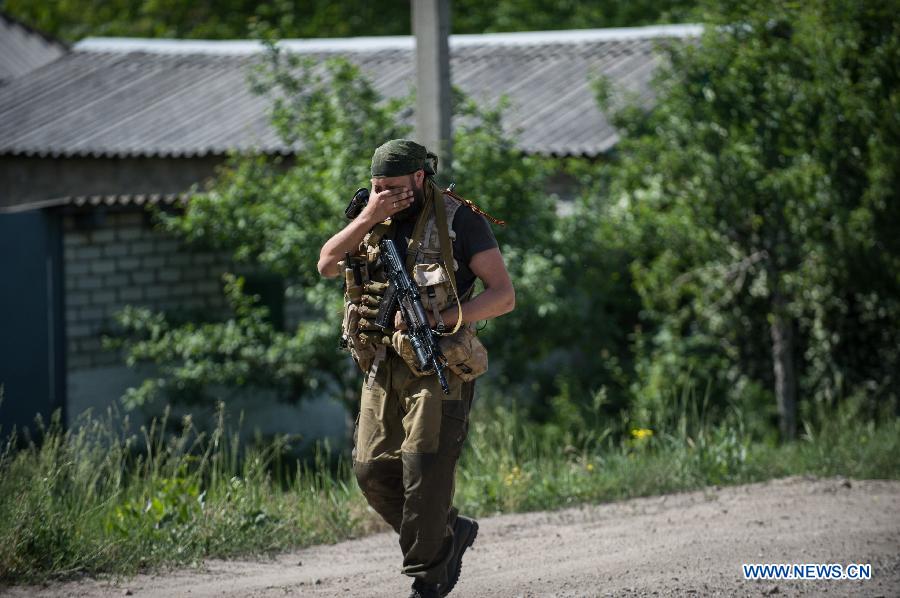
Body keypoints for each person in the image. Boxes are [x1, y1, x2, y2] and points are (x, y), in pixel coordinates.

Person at [317, 139, 515, 597]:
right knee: (371, 472)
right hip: (382, 362)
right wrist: (368, 216)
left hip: (436, 361)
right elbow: (327, 264)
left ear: (420, 178)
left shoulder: (461, 221)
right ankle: (448, 533)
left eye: (393, 187)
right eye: (377, 187)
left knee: (424, 470)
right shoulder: (371, 216)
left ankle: (428, 577)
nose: (384, 194)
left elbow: (503, 296)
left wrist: (438, 318)